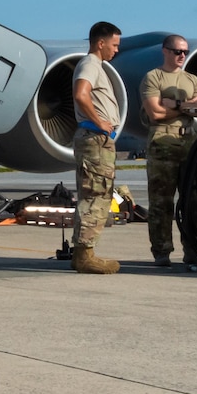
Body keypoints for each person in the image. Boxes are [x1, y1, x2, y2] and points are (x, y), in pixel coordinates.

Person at [139, 35, 197, 268]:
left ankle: (193, 249)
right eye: (177, 51)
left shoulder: (192, 79)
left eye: (185, 52)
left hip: (189, 143)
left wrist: (176, 105)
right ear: (165, 51)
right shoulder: (153, 77)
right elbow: (155, 114)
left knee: (194, 200)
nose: (181, 56)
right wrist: (187, 107)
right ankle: (162, 250)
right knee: (161, 201)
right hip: (162, 144)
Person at [71, 22, 124, 275]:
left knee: (96, 194)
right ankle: (84, 255)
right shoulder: (91, 64)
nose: (116, 50)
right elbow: (81, 93)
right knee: (96, 194)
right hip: (95, 138)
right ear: (100, 43)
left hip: (97, 138)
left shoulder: (96, 66)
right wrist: (99, 121)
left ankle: (85, 252)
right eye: (114, 45)